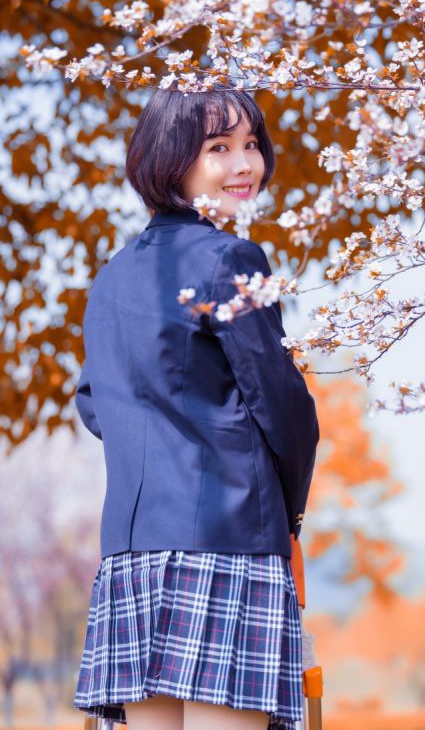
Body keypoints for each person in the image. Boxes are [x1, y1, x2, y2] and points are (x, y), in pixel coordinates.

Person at [72, 86, 319, 730]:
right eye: (219, 148)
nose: (245, 165)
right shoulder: (231, 258)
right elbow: (283, 406)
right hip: (229, 539)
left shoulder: (112, 277)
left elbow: (95, 402)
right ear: (171, 158)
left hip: (131, 554)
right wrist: (289, 516)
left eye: (250, 146)